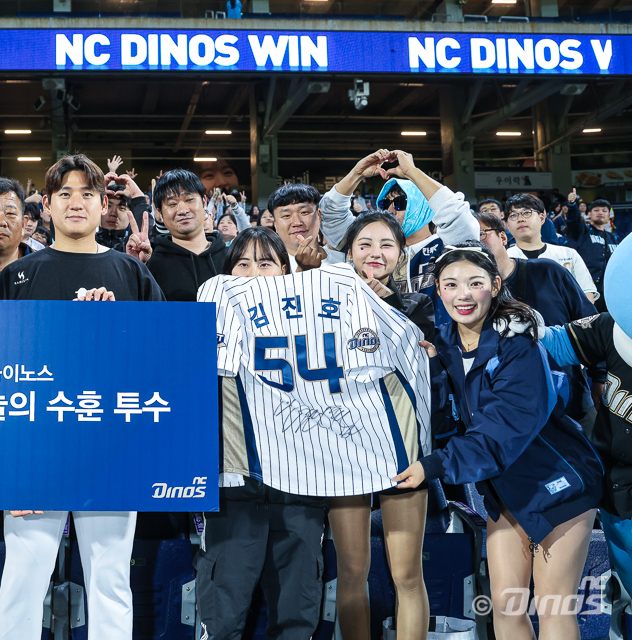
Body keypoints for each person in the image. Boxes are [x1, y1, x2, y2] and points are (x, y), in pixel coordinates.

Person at [0, 154, 164, 640]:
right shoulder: (19, 276)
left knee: (110, 581)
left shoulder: (131, 273)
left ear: (103, 204)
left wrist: (117, 326)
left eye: (87, 193)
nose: (76, 203)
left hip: (110, 450)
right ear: (45, 206)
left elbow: (159, 359)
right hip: (34, 454)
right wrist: (3, 466)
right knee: (23, 581)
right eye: (64, 194)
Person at [394, 242, 603, 640]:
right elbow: (444, 422)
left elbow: (506, 426)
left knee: (553, 604)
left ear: (494, 284)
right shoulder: (443, 345)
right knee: (506, 606)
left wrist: (434, 465)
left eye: (475, 283)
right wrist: (434, 370)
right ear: (438, 291)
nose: (464, 295)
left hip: (557, 479)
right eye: (451, 285)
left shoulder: (518, 343)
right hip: (504, 488)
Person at [194, 227, 326, 640]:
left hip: (301, 485)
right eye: (242, 264)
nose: (252, 273)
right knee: (223, 613)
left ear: (286, 271)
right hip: (233, 487)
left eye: (265, 263)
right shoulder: (203, 327)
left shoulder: (321, 324)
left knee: (296, 614)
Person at [325, 210, 433, 640]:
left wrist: (388, 305)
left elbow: (426, 369)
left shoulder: (419, 305)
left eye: (387, 244)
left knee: (407, 574)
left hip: (401, 448)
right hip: (345, 449)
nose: (375, 252)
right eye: (364, 244)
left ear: (401, 253)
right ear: (348, 253)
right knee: (352, 570)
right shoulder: (325, 307)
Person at [540, 235, 632, 600]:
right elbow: (556, 342)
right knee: (626, 584)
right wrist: (527, 326)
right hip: (618, 486)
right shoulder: (612, 325)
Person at [319, 149, 478, 325]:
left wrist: (412, 172)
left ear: (424, 206)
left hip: (437, 339)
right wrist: (356, 174)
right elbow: (330, 215)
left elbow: (458, 216)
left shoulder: (446, 247)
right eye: (384, 203)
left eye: (400, 202)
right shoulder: (367, 247)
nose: (390, 210)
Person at [476, 211, 602, 427]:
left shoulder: (549, 272)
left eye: (481, 234)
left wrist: (600, 377)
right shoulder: (469, 298)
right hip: (509, 412)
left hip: (570, 402)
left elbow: (591, 325)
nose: (475, 242)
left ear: (503, 237)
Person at [126, 168, 227, 302]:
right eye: (172, 204)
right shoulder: (152, 264)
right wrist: (137, 268)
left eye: (189, 199)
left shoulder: (232, 258)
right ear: (159, 213)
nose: (182, 210)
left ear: (204, 202)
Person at [503, 193, 597, 304]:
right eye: (513, 215)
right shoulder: (502, 260)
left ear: (542, 218)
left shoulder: (569, 255)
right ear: (507, 224)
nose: (520, 219)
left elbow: (587, 297)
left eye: (527, 213)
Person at [564, 189, 619, 311]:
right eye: (596, 210)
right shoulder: (582, 231)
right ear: (589, 214)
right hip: (585, 288)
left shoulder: (614, 238)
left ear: (609, 216)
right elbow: (573, 221)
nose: (601, 213)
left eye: (604, 211)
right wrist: (572, 205)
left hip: (608, 290)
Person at [267, 183, 329, 273]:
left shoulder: (344, 260)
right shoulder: (267, 269)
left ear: (319, 216)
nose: (297, 223)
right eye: (286, 215)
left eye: (304, 212)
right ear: (275, 224)